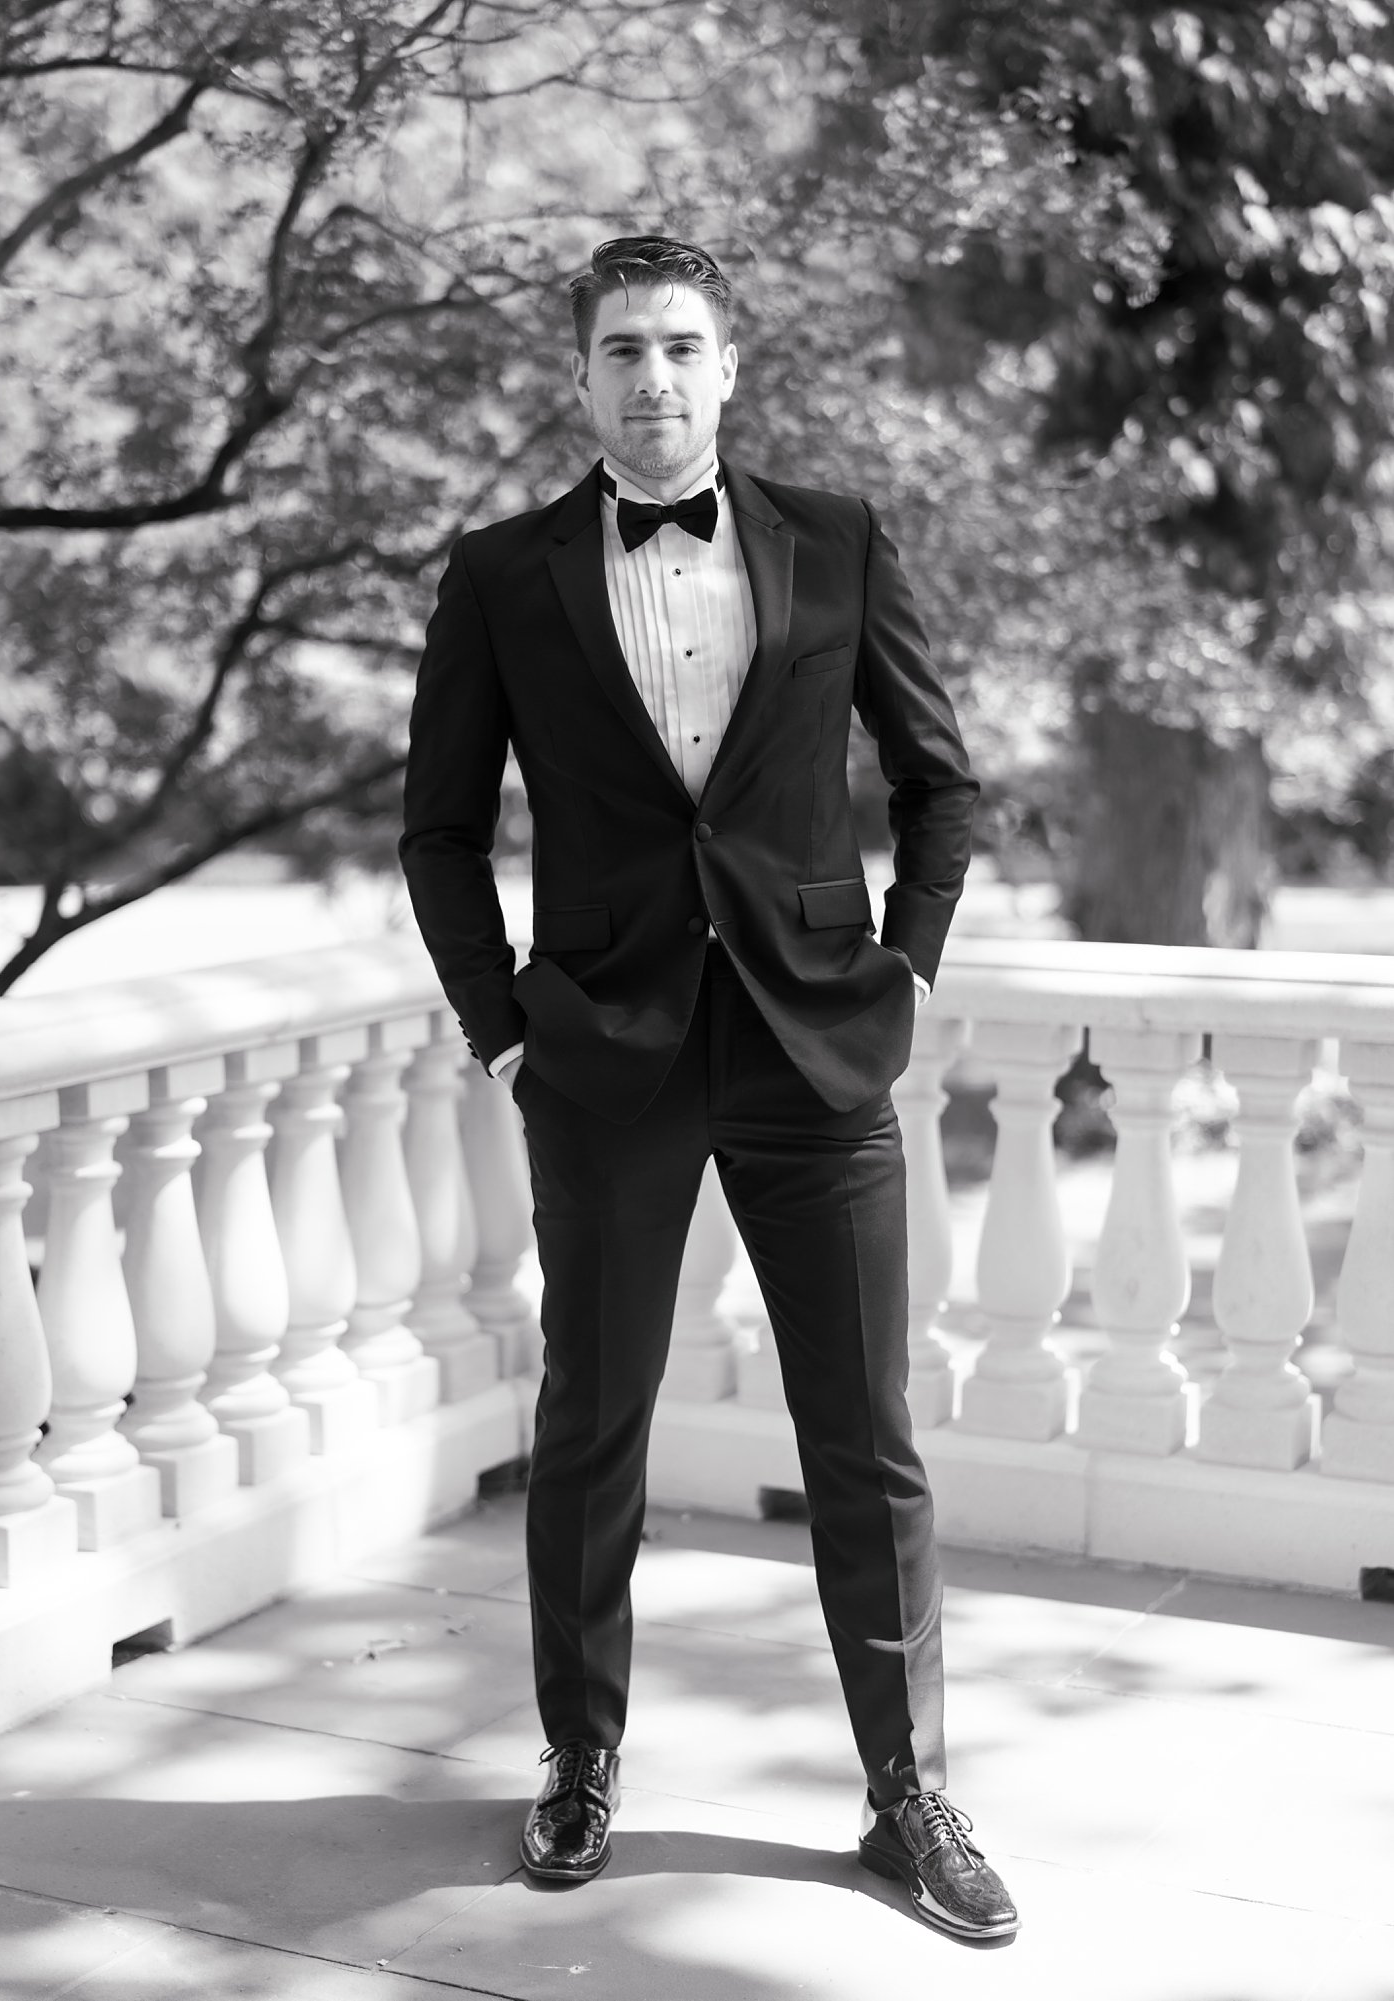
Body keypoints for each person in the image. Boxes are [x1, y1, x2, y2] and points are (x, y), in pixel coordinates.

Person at [398, 235, 1018, 1942]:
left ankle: (909, 1792)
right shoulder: (501, 575)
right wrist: (503, 1023)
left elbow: (940, 783)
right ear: (580, 377)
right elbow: (438, 829)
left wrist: (908, 970)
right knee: (592, 1422)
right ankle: (579, 1761)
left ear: (730, 365)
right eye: (619, 351)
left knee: (865, 1439)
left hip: (816, 1042)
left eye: (682, 345)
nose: (652, 378)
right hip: (602, 1051)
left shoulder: (838, 538)